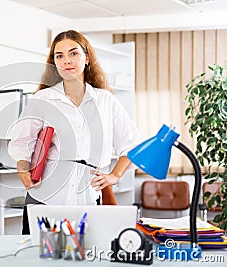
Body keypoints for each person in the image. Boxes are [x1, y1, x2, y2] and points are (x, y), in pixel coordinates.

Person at [8, 30, 140, 234]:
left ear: (86, 57)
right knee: (37, 257)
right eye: (59, 56)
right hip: (45, 196)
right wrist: (22, 169)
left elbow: (131, 145)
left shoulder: (105, 101)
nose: (66, 61)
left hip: (88, 195)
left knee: (87, 253)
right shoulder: (42, 99)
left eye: (73, 53)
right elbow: (22, 142)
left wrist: (114, 176)